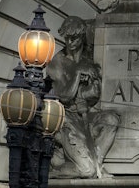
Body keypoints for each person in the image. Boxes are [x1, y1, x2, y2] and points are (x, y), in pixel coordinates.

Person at [46, 16, 120, 178]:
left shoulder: (88, 63)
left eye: (74, 38)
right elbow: (65, 95)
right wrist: (78, 74)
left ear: (82, 37)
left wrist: (90, 86)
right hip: (66, 119)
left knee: (111, 120)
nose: (70, 42)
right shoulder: (57, 62)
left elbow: (93, 96)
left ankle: (97, 164)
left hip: (85, 116)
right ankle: (55, 171)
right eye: (67, 38)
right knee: (86, 170)